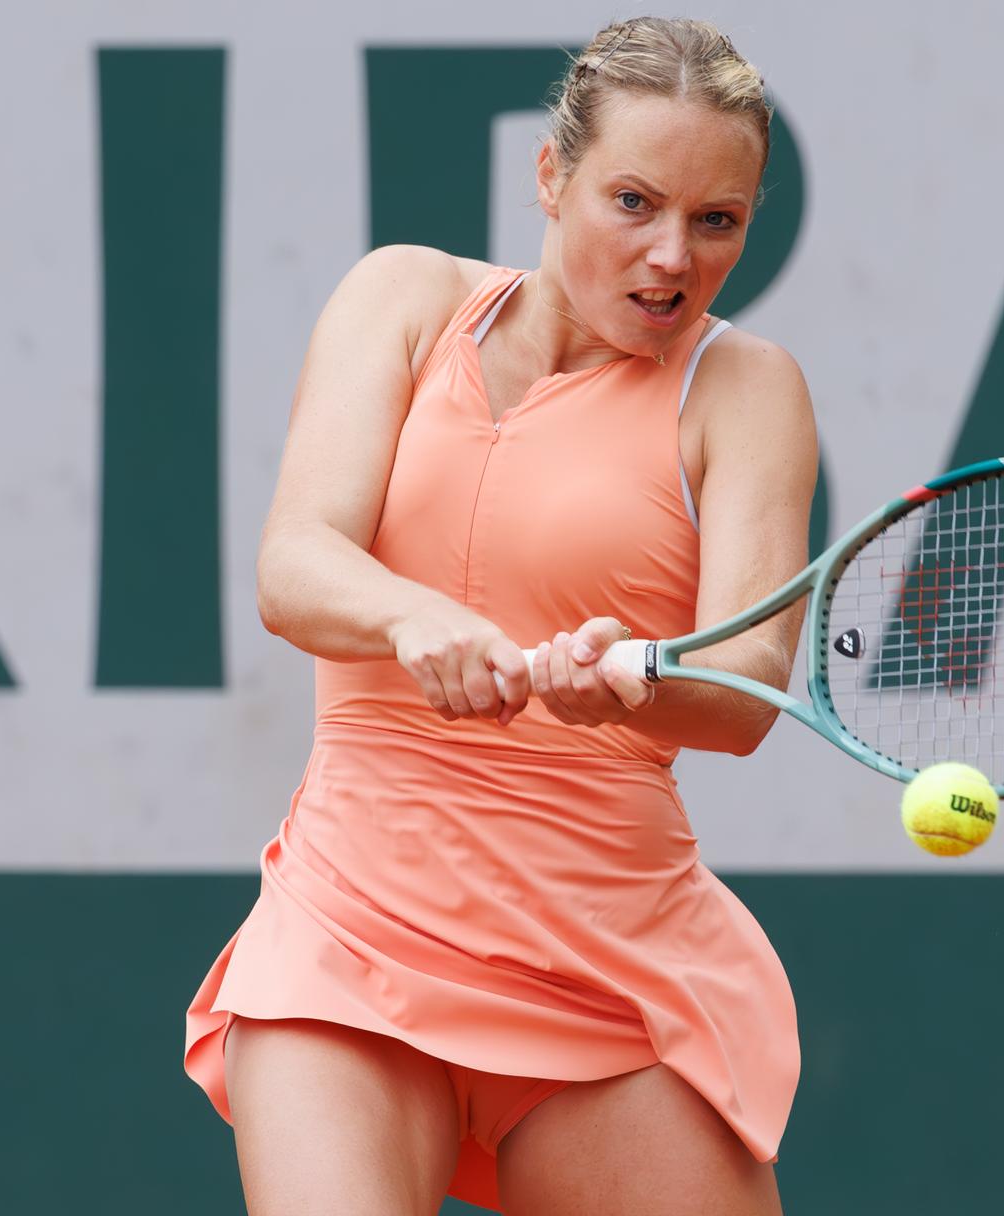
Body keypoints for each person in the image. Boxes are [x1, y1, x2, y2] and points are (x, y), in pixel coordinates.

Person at [184, 16, 817, 1215]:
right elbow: (295, 563)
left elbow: (745, 689)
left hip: (606, 967)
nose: (672, 255)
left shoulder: (747, 388)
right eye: (633, 201)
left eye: (715, 221)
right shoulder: (405, 298)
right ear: (549, 176)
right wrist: (415, 619)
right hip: (351, 933)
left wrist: (624, 678)